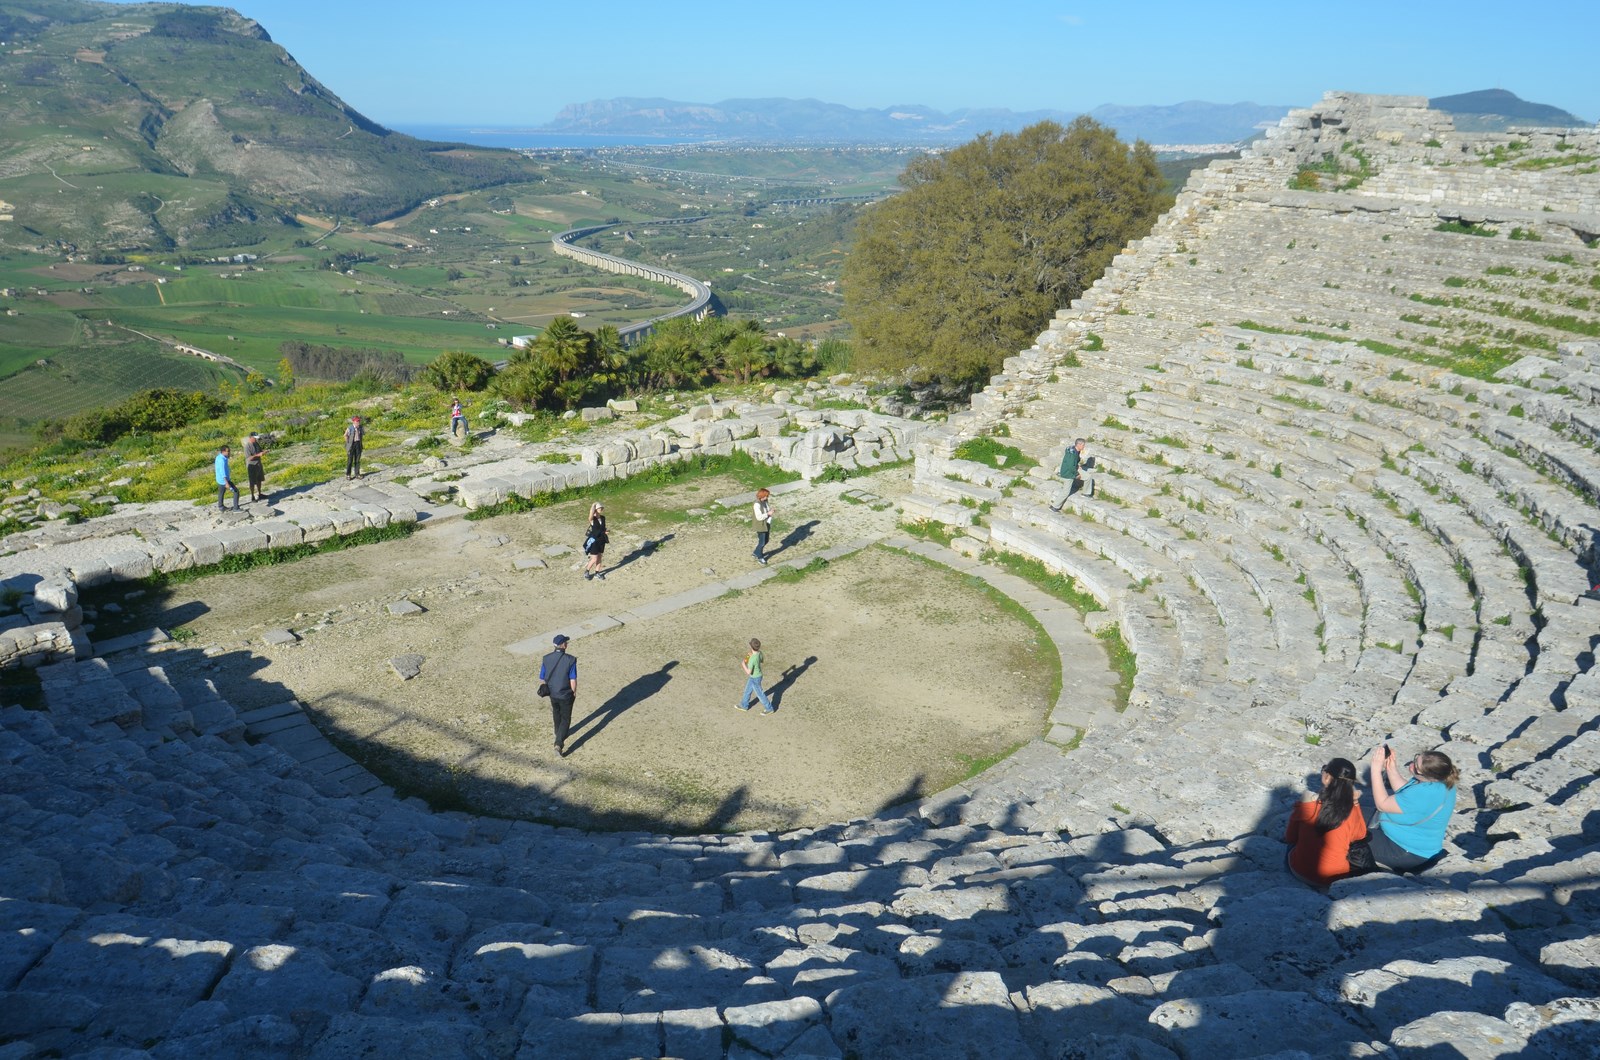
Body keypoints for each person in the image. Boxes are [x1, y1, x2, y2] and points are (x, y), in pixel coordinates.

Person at [1368, 746, 1458, 873]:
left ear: (1428, 776)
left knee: (1347, 836)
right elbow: (1406, 794)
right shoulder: (1442, 781)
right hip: (1395, 828)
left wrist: (1375, 770)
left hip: (1404, 851)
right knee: (1344, 813)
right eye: (1416, 759)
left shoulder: (1425, 793)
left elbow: (1382, 804)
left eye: (1416, 767)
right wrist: (1390, 768)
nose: (1411, 765)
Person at [1283, 758, 1366, 890]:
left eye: (1324, 770)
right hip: (1335, 877)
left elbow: (1290, 837)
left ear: (1327, 777)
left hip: (1301, 873)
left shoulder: (1308, 802)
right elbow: (1360, 835)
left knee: (1291, 847)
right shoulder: (1350, 810)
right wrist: (1355, 803)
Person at [540, 634, 578, 756]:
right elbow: (573, 679)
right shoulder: (570, 660)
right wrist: (574, 692)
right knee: (566, 718)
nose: (567, 643)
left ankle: (558, 732)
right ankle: (558, 743)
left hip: (552, 693)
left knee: (556, 713)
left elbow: (543, 677)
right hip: (566, 694)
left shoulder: (546, 658)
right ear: (563, 645)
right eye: (566, 642)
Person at [737, 637, 774, 714]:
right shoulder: (760, 653)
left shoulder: (752, 659)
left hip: (755, 678)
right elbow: (761, 660)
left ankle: (769, 708)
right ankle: (744, 705)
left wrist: (743, 664)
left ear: (751, 646)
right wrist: (748, 656)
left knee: (760, 694)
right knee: (747, 691)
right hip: (756, 676)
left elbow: (748, 672)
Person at [1051, 438, 1088, 512]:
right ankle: (1054, 506)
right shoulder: (1072, 454)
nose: (1084, 447)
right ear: (1079, 445)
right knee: (1065, 492)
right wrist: (1076, 474)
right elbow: (1071, 466)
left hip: (1069, 471)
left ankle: (1086, 493)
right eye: (1083, 445)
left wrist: (1077, 466)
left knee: (1087, 477)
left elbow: (1072, 462)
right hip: (1068, 473)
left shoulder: (1075, 451)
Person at [582, 502, 608, 580]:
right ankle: (586, 571)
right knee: (594, 558)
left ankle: (597, 573)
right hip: (594, 541)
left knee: (599, 558)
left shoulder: (603, 518)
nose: (601, 509)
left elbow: (602, 528)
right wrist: (593, 505)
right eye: (599, 508)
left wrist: (605, 531)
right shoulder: (592, 519)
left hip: (601, 540)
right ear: (595, 509)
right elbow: (590, 515)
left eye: (601, 508)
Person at [214, 445, 240, 512]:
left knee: (221, 493)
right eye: (228, 451)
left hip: (219, 479)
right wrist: (227, 483)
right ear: (223, 451)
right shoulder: (222, 460)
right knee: (236, 491)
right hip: (224, 480)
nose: (229, 452)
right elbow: (222, 472)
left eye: (229, 451)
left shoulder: (219, 457)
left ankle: (221, 506)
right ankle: (236, 508)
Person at [243, 431, 266, 503]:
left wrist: (264, 452)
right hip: (252, 466)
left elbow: (260, 451)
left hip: (258, 464)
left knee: (259, 479)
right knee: (252, 481)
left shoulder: (256, 443)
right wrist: (258, 455)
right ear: (251, 437)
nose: (256, 439)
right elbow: (249, 458)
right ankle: (252, 496)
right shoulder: (247, 446)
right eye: (255, 438)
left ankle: (259, 493)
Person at [752, 488, 773, 565]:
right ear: (761, 496)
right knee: (762, 542)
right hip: (760, 525)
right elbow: (759, 517)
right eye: (766, 496)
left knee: (766, 540)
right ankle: (760, 557)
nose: (767, 498)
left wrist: (770, 511)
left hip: (766, 523)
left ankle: (756, 552)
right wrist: (768, 514)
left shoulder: (765, 502)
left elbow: (767, 510)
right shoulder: (756, 504)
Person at [344, 416, 364, 480]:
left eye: (358, 421)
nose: (358, 422)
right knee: (350, 461)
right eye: (356, 421)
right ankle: (348, 475)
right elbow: (345, 435)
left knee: (357, 460)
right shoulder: (350, 428)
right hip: (351, 445)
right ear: (353, 421)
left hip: (358, 444)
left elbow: (363, 434)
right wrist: (348, 442)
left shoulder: (360, 428)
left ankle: (357, 474)